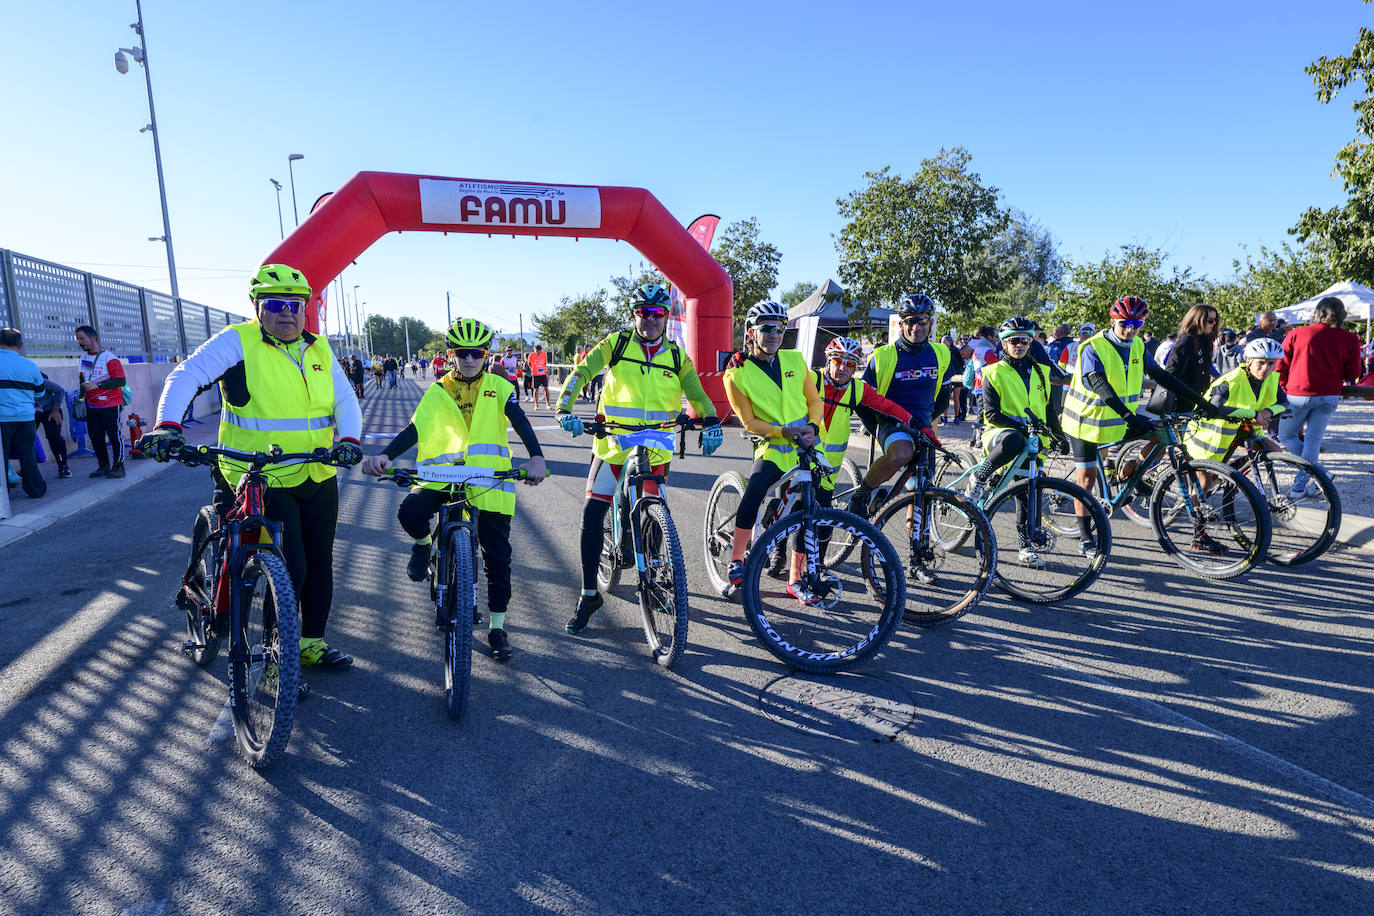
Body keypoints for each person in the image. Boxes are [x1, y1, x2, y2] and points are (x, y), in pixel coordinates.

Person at [139, 264, 364, 681]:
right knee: (290, 567)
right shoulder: (238, 341)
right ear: (257, 308)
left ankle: (310, 644)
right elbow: (186, 375)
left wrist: (349, 439)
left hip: (316, 472)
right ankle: (279, 659)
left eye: (297, 305)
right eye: (276, 304)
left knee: (319, 563)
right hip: (258, 474)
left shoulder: (320, 348)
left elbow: (345, 399)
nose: (288, 313)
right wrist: (168, 425)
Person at [362, 319, 546, 661]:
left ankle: (496, 627)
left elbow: (520, 422)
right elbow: (414, 430)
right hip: (442, 477)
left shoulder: (500, 387)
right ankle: (422, 546)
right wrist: (385, 455)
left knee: (497, 557)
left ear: (486, 355)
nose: (470, 359)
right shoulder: (438, 390)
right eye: (463, 353)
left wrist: (536, 457)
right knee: (410, 512)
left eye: (477, 353)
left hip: (488, 481)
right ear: (451, 355)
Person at [557, 283, 722, 628]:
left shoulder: (676, 357)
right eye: (642, 312)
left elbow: (699, 394)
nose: (649, 319)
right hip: (614, 444)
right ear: (634, 315)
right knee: (592, 513)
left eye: (657, 313)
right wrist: (564, 407)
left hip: (656, 445)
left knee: (656, 515)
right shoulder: (615, 345)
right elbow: (581, 373)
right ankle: (589, 594)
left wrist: (711, 423)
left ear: (666, 317)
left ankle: (659, 576)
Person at [1060, 295, 1234, 555]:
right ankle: (1085, 537)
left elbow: (1162, 375)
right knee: (1086, 481)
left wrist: (1201, 402)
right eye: (1125, 323)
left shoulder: (1138, 345)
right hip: (1085, 423)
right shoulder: (1093, 347)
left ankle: (1132, 474)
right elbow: (1100, 384)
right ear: (1113, 321)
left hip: (1116, 419)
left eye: (1137, 323)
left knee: (1160, 437)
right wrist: (1130, 417)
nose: (1130, 329)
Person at [795, 335, 912, 600]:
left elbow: (886, 406)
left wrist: (913, 422)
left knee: (822, 521)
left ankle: (817, 567)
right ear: (828, 361)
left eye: (851, 363)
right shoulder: (810, 380)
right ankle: (778, 552)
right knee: (790, 508)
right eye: (837, 361)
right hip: (797, 456)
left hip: (827, 467)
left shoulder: (857, 390)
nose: (843, 368)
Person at [718, 299, 821, 595]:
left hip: (806, 446)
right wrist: (783, 431)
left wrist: (812, 427)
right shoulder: (736, 373)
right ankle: (736, 559)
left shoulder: (795, 360)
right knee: (755, 490)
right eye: (767, 329)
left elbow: (814, 400)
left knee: (807, 507)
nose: (775, 334)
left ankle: (795, 579)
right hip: (773, 446)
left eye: (780, 328)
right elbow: (749, 422)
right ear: (752, 333)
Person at [966, 317, 1066, 567]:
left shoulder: (1042, 372)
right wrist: (1022, 426)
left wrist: (1059, 434)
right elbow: (992, 414)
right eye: (1013, 341)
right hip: (1001, 433)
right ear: (1004, 343)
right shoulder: (992, 372)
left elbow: (1049, 409)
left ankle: (1025, 548)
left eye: (1024, 340)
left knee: (1028, 494)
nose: (1019, 345)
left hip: (1034, 440)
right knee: (1013, 439)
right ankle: (979, 477)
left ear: (1031, 342)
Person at [846, 293, 954, 519]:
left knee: (921, 494)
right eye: (910, 321)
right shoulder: (884, 356)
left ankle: (917, 546)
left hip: (923, 428)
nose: (916, 327)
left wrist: (925, 421)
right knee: (902, 453)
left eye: (922, 320)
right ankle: (862, 494)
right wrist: (876, 428)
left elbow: (944, 397)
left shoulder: (941, 353)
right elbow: (863, 399)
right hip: (891, 424)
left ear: (930, 322)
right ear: (901, 324)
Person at [1276, 296, 1363, 500]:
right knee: (1313, 442)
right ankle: (1310, 480)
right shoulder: (1350, 338)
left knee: (1286, 436)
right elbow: (1352, 373)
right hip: (1329, 395)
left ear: (1318, 312)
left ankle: (1309, 481)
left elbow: (1280, 366)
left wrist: (1285, 386)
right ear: (1341, 315)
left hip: (1298, 394)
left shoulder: (1296, 333)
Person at [1184, 338, 1286, 463]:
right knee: (1206, 482)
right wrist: (1253, 414)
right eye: (1261, 363)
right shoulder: (1232, 380)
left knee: (1274, 450)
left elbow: (1284, 402)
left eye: (1271, 363)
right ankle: (1225, 475)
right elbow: (1214, 407)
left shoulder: (1271, 380)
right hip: (1209, 434)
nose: (1266, 368)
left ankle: (1233, 476)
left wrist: (1267, 412)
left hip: (1241, 427)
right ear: (1248, 361)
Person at [75, 325, 129, 479]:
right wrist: (82, 397)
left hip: (111, 405)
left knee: (114, 436)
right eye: (77, 339)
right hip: (91, 405)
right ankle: (103, 466)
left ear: (93, 338)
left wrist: (99, 385)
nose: (79, 342)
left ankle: (119, 467)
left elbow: (120, 380)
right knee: (95, 437)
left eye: (82, 338)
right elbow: (84, 378)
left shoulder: (109, 358)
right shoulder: (85, 357)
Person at [0, 327, 47, 498]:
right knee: (27, 453)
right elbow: (40, 393)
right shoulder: (30, 365)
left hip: (2, 419)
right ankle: (35, 489)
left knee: (1, 456)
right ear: (20, 345)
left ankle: (3, 494)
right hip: (26, 418)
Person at [1151, 304, 1220, 414]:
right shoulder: (1187, 339)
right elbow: (1171, 371)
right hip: (1183, 403)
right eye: (1210, 320)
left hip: (1199, 401)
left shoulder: (1205, 340)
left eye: (1215, 320)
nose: (1214, 323)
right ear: (1198, 320)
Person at [35, 372, 70, 479]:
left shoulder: (41, 381)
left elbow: (60, 390)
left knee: (53, 435)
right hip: (31, 411)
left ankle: (63, 466)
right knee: (25, 437)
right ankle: (27, 468)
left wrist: (55, 410)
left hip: (50, 410)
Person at [527, 344, 552, 409]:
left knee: (546, 388)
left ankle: (548, 404)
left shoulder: (544, 354)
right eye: (536, 351)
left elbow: (545, 363)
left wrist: (544, 369)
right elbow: (529, 363)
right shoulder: (531, 355)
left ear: (540, 350)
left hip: (543, 374)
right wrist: (533, 369)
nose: (537, 353)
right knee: (536, 390)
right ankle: (536, 405)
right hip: (535, 374)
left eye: (538, 351)